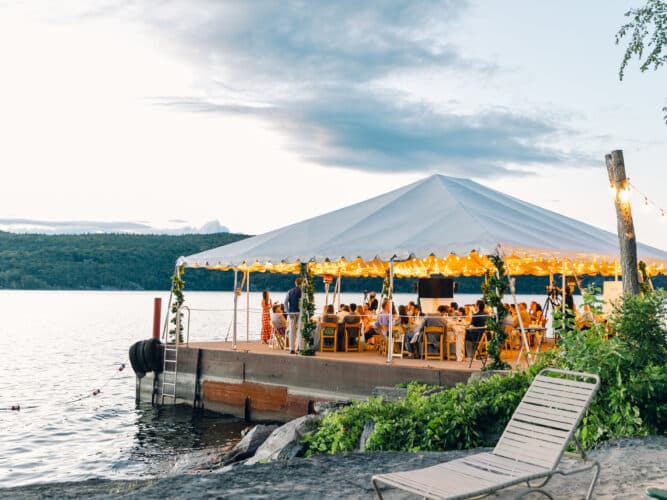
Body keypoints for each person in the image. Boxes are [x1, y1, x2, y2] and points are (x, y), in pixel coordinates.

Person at [284, 277, 303, 354]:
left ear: (295, 283)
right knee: (300, 330)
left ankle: (292, 349)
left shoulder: (289, 291)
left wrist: (288, 312)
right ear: (302, 284)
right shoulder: (303, 292)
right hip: (300, 313)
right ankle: (299, 347)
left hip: (291, 313)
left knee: (292, 331)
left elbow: (285, 303)